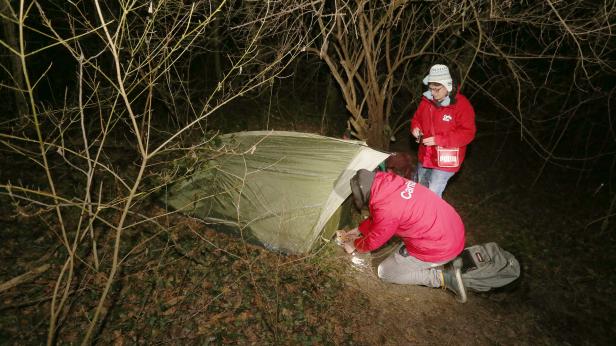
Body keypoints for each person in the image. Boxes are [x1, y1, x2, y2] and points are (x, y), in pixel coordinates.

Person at [337, 169, 468, 303]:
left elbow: (375, 239)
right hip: (452, 228)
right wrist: (360, 229)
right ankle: (443, 260)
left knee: (386, 272)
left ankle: (442, 277)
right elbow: (385, 215)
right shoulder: (390, 182)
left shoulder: (387, 210)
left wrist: (354, 244)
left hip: (441, 246)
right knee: (404, 224)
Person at [410, 64, 476, 198]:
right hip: (426, 155)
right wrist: (415, 128)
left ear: (448, 86)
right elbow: (416, 119)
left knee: (432, 191)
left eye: (437, 89)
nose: (433, 93)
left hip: (446, 159)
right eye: (431, 88)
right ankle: (415, 215)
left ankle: (431, 217)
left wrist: (439, 140)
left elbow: (468, 133)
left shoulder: (462, 106)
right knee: (418, 186)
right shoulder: (426, 102)